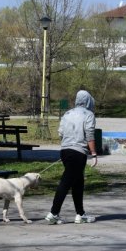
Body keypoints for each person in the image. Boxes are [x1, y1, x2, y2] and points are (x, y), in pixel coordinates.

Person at [45, 90, 98, 225]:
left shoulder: (67, 114)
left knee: (78, 182)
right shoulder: (89, 114)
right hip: (78, 153)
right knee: (66, 182)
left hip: (65, 151)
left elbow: (61, 133)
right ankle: (53, 213)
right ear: (88, 101)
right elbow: (90, 135)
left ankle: (80, 214)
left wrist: (68, 143)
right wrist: (94, 153)